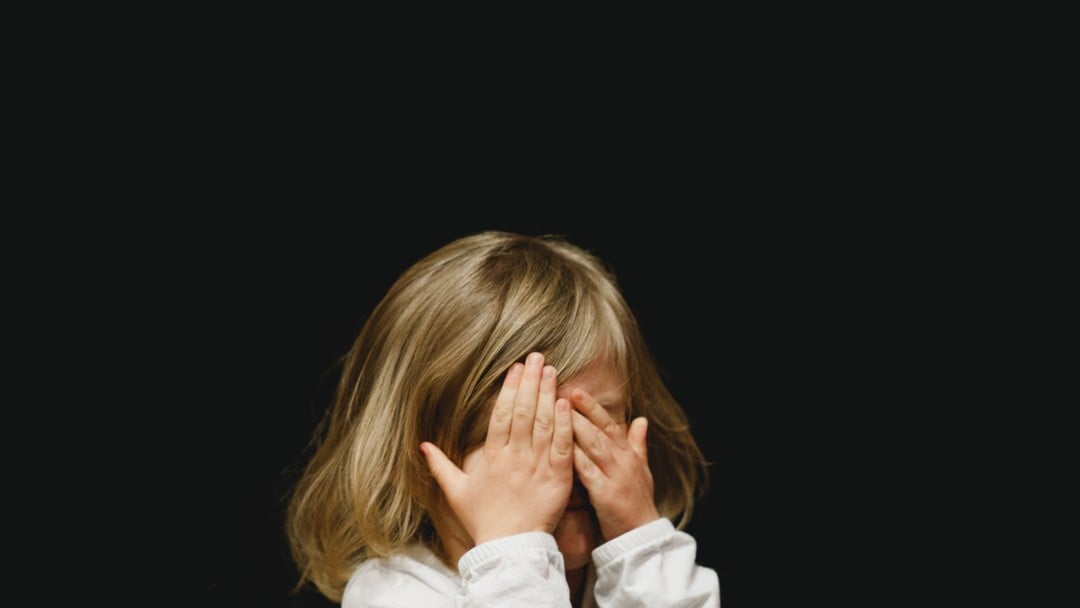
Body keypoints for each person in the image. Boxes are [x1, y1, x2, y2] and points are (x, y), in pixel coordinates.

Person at [285, 231, 720, 607]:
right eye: (526, 433)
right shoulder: (391, 593)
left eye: (593, 424)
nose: (564, 460)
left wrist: (642, 549)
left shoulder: (624, 573)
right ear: (421, 454)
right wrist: (513, 550)